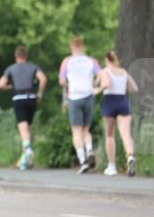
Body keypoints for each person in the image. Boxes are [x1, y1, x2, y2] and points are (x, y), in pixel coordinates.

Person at [0, 45, 47, 170]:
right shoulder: (33, 67)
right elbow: (43, 79)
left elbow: (1, 84)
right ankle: (25, 160)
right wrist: (40, 94)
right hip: (31, 97)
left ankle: (28, 150)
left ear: (16, 56)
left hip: (18, 98)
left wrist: (10, 87)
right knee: (28, 128)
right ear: (26, 56)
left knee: (22, 126)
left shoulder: (11, 69)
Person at [59, 36, 101, 174]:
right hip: (88, 95)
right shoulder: (91, 61)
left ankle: (83, 161)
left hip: (74, 97)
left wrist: (68, 85)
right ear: (82, 47)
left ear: (72, 47)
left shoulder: (67, 61)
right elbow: (101, 74)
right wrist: (94, 84)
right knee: (85, 130)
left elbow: (62, 81)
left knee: (76, 131)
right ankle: (89, 150)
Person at [96, 50, 138, 177]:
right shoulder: (123, 72)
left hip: (109, 101)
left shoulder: (104, 71)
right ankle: (130, 157)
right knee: (126, 134)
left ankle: (112, 166)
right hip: (123, 100)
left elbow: (105, 84)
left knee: (109, 135)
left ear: (107, 59)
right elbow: (134, 88)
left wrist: (96, 90)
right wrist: (123, 87)